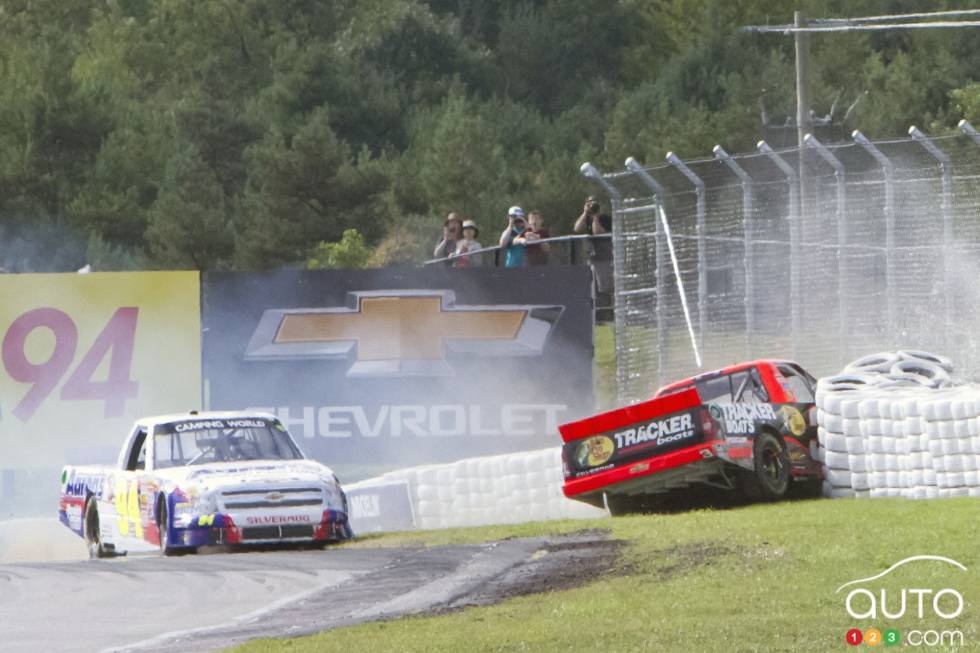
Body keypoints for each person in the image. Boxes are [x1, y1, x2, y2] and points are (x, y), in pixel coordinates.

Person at [573, 196, 614, 320]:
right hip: (592, 258)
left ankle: (610, 315)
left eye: (593, 203)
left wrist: (595, 217)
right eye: (588, 203)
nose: (591, 205)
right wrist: (585, 213)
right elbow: (576, 228)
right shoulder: (587, 219)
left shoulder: (605, 219)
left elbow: (598, 233)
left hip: (604, 258)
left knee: (605, 288)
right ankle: (597, 317)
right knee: (592, 289)